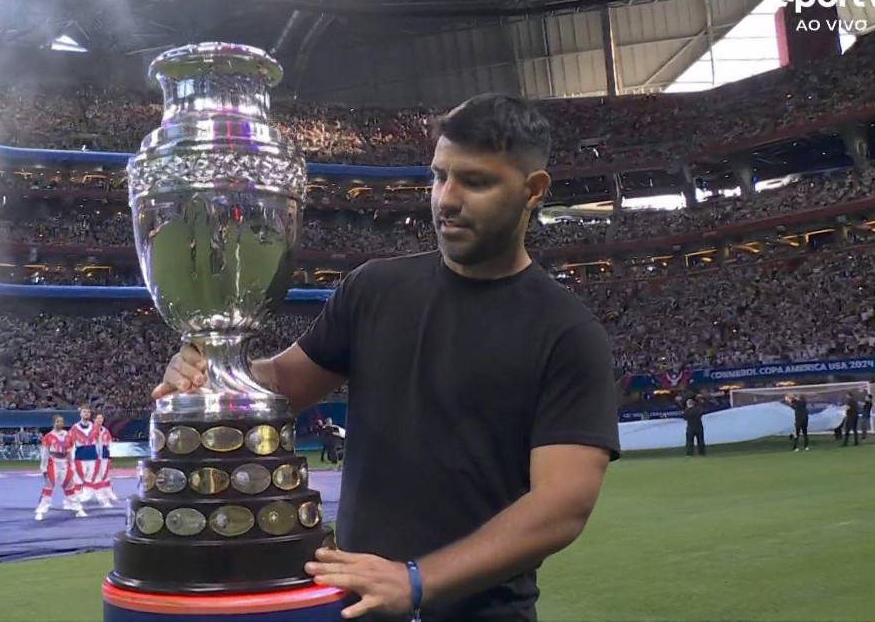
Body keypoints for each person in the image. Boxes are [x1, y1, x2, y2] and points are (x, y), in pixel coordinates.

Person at [153, 94, 620, 621]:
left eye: (476, 181)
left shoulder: (567, 333)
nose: (447, 199)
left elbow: (561, 505)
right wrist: (217, 373)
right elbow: (284, 380)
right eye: (439, 177)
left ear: (533, 191)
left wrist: (417, 581)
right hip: (355, 608)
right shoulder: (375, 289)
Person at [36, 415, 85, 521]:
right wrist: (43, 467)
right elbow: (44, 453)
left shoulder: (67, 435)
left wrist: (72, 465)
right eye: (58, 421)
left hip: (65, 463)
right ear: (54, 423)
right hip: (53, 463)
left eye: (61, 421)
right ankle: (41, 511)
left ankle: (77, 509)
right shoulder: (48, 436)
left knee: (69, 487)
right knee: (48, 487)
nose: (60, 423)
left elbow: (70, 452)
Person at [69, 406, 102, 505]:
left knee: (91, 477)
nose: (86, 413)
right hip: (80, 456)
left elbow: (98, 442)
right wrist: (70, 458)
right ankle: (75, 497)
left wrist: (100, 455)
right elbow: (70, 443)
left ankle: (87, 495)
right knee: (78, 478)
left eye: (88, 412)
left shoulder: (95, 427)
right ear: (80, 414)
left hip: (92, 456)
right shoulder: (75, 428)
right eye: (84, 412)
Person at [94, 413, 118, 503]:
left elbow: (109, 444)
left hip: (104, 455)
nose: (100, 420)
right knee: (96, 476)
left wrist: (110, 457)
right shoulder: (91, 430)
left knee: (105, 475)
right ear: (94, 420)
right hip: (94, 456)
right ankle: (98, 493)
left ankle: (108, 491)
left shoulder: (105, 431)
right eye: (98, 418)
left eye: (101, 418)